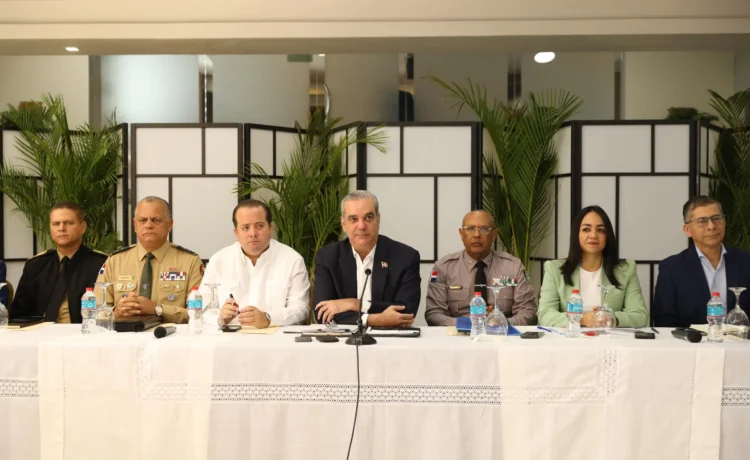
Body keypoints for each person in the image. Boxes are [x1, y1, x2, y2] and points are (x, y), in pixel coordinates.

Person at [313, 190, 420, 327]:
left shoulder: (405, 257)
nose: (362, 226)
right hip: (343, 338)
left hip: (391, 338)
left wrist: (354, 304)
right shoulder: (327, 257)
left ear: (378, 220)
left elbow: (406, 312)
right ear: (343, 224)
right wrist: (376, 319)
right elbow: (322, 313)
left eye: (368, 218)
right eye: (353, 219)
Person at [96, 196, 203, 324]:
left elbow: (198, 313)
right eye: (143, 220)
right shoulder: (115, 261)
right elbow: (95, 309)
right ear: (135, 225)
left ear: (170, 225)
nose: (148, 225)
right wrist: (115, 312)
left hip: (170, 334)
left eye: (156, 220)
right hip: (124, 334)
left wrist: (158, 309)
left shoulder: (190, 262)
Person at [538, 205, 648, 328]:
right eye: (586, 229)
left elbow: (640, 316)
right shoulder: (554, 269)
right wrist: (581, 320)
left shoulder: (626, 270)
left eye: (601, 230)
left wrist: (612, 318)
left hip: (610, 338)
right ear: (576, 234)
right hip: (570, 337)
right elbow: (545, 314)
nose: (593, 235)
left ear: (607, 236)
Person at [205, 199, 309, 328]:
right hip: (230, 337)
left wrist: (269, 319)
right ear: (236, 233)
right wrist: (220, 318)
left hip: (276, 337)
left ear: (270, 228)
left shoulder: (292, 259)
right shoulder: (219, 260)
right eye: (245, 228)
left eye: (259, 226)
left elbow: (301, 309)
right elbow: (203, 307)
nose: (253, 233)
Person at [425, 210, 537, 326]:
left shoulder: (514, 267)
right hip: (457, 334)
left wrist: (501, 322)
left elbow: (528, 313)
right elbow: (434, 314)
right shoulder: (444, 268)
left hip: (502, 333)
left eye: (484, 229)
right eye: (470, 228)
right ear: (461, 234)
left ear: (494, 235)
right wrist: (467, 324)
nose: (477, 235)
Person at [653, 196, 750, 327]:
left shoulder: (746, 262)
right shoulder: (671, 268)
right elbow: (664, 322)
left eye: (716, 218)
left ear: (724, 222)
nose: (711, 226)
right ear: (687, 230)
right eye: (702, 221)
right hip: (691, 339)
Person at [10, 201, 107, 322]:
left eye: (68, 223)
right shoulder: (35, 265)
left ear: (83, 227)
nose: (61, 228)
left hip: (83, 331)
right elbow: (18, 314)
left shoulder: (100, 264)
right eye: (56, 224)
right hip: (39, 332)